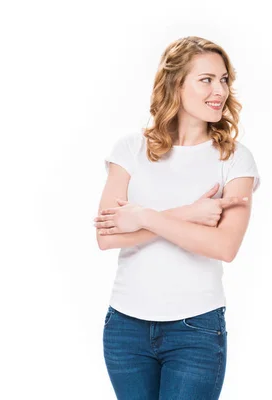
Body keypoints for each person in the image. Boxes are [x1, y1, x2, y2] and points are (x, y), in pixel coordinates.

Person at [93, 36, 260, 399]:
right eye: (207, 79)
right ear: (176, 84)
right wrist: (188, 215)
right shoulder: (129, 150)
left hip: (196, 329)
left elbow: (224, 245)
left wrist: (140, 217)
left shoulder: (235, 160)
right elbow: (107, 236)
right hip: (126, 326)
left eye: (225, 79)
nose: (220, 90)